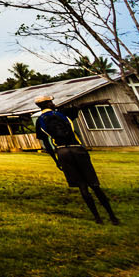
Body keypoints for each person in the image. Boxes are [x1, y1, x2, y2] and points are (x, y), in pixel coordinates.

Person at [33, 95, 119, 224]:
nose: (53, 103)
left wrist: (56, 161)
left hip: (62, 152)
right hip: (77, 149)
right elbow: (81, 106)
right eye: (51, 102)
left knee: (82, 186)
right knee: (94, 185)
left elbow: (46, 143)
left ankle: (97, 218)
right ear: (48, 103)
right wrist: (100, 101)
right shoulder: (62, 113)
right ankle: (112, 216)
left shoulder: (40, 120)